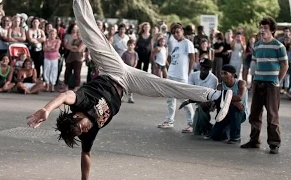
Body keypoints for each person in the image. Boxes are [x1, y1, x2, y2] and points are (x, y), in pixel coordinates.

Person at [27, 1, 233, 179]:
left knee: (89, 33)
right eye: (81, 132)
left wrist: (47, 109)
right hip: (128, 84)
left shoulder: (81, 102)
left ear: (76, 115)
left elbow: (65, 95)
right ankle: (215, 95)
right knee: (167, 88)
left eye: (79, 126)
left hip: (111, 70)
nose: (84, 129)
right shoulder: (88, 132)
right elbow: (86, 156)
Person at [240, 17, 289, 154]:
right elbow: (254, 64)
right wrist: (253, 80)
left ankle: (274, 143)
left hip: (271, 84)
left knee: (272, 115)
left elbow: (285, 65)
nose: (262, 31)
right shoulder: (257, 45)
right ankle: (254, 141)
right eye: (261, 28)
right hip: (257, 82)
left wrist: (278, 80)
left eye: (265, 28)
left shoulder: (279, 46)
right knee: (255, 113)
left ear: (272, 30)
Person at [210, 65, 248, 144]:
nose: (222, 76)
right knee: (215, 136)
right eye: (221, 73)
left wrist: (223, 99)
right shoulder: (220, 86)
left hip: (240, 113)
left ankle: (236, 137)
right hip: (225, 113)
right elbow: (218, 99)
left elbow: (239, 97)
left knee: (235, 109)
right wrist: (233, 102)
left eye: (225, 73)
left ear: (233, 75)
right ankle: (226, 130)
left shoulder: (241, 83)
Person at [121, 39, 138, 103]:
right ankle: (122, 96)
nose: (130, 46)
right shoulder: (125, 53)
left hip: (132, 71)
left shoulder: (135, 54)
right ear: (127, 45)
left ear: (134, 46)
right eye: (129, 45)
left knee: (131, 84)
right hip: (126, 70)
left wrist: (133, 68)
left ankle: (130, 97)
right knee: (124, 83)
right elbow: (123, 61)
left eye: (132, 45)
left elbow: (136, 62)